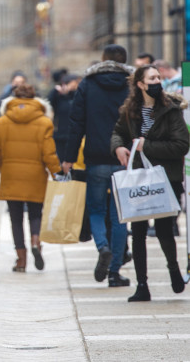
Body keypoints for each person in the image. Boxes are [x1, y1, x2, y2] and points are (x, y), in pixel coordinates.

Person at [111, 65, 189, 301]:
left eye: (158, 77)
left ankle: (174, 270)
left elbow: (181, 145)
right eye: (152, 78)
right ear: (140, 85)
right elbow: (118, 132)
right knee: (138, 232)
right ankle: (142, 285)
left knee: (165, 229)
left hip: (166, 179)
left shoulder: (171, 109)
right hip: (139, 180)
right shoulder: (129, 110)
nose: (157, 81)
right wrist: (118, 146)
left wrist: (147, 146)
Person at [62, 44, 134, 287]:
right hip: (125, 158)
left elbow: (76, 123)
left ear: (102, 60)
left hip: (95, 157)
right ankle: (114, 272)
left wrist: (69, 157)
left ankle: (102, 247)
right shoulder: (132, 84)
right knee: (119, 216)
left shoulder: (88, 84)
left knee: (95, 210)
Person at [0, 84, 61, 272]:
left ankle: (21, 260)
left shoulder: (2, 121)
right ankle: (36, 241)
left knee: (15, 218)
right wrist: (56, 173)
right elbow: (49, 152)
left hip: (11, 174)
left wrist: (3, 166)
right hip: (36, 174)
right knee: (36, 214)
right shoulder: (45, 122)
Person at [48, 73, 81, 161]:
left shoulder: (78, 95)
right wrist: (56, 91)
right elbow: (49, 103)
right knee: (61, 160)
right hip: (60, 134)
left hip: (75, 134)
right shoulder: (58, 96)